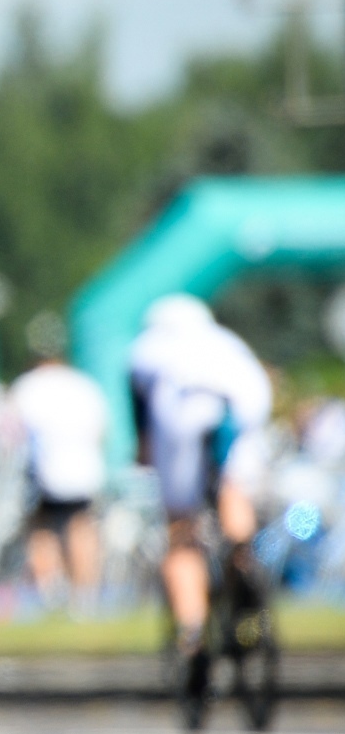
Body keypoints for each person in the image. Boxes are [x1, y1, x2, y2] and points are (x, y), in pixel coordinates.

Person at [127, 294, 272, 687]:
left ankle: (191, 632)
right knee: (233, 485)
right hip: (242, 398)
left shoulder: (149, 348)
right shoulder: (227, 341)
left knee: (181, 527)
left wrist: (144, 455)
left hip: (181, 407)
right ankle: (242, 558)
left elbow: (142, 422)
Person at [8, 312, 109, 611]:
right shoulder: (84, 385)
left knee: (42, 530)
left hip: (44, 471)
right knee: (81, 527)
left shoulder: (27, 386)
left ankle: (49, 592)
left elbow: (10, 432)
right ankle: (85, 596)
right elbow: (101, 429)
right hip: (84, 470)